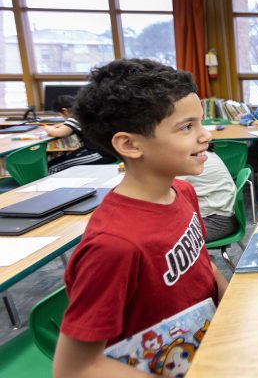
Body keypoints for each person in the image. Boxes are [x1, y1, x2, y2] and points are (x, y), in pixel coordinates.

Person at [54, 59, 229, 378]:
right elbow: (74, 369)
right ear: (130, 144)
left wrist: (234, 309)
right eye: (186, 127)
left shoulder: (183, 191)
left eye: (200, 122)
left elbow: (205, 267)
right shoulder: (114, 246)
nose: (205, 135)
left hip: (206, 352)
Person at [43, 95, 117, 174]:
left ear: (65, 111)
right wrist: (61, 125)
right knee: (56, 161)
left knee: (53, 167)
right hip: (103, 151)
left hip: (100, 153)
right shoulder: (84, 115)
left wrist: (48, 129)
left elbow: (59, 133)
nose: (61, 117)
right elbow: (69, 125)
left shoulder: (75, 118)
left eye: (60, 114)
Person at [182, 142, 239, 242]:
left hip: (217, 221)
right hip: (222, 215)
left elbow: (163, 192)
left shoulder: (189, 159)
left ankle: (204, 258)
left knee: (166, 241)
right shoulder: (202, 152)